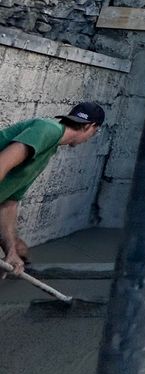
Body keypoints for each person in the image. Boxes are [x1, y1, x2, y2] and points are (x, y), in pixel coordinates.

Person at [0, 103, 105, 275]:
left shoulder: (47, 150)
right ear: (89, 126)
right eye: (96, 131)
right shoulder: (48, 129)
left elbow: (8, 203)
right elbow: (2, 163)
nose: (90, 138)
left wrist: (11, 249)